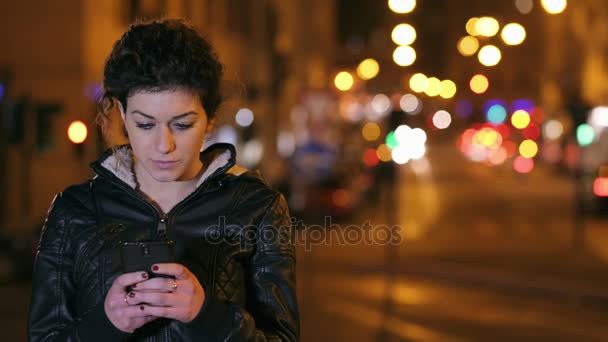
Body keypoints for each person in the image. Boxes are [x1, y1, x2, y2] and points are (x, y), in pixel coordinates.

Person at [27, 19, 299, 341]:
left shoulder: (258, 208)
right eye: (145, 124)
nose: (163, 145)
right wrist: (105, 323)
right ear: (123, 116)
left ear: (210, 120)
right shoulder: (75, 209)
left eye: (182, 125)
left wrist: (206, 315)